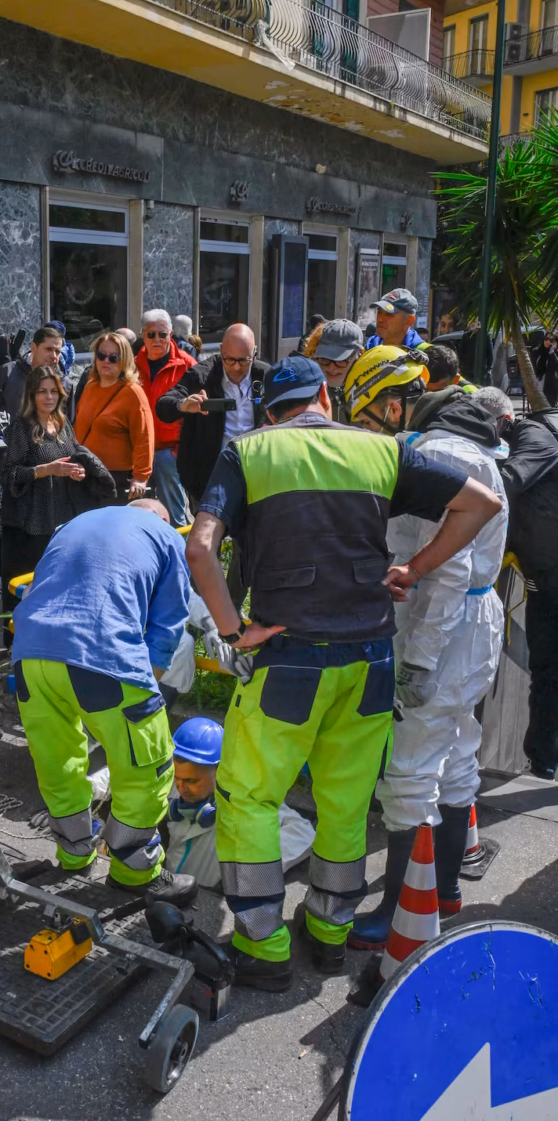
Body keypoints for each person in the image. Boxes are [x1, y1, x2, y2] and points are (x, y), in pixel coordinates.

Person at [185, 355, 502, 990]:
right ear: (325, 399)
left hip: (287, 658)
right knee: (347, 800)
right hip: (371, 659)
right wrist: (414, 570)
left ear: (273, 412)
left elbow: (199, 546)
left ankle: (265, 945)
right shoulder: (385, 451)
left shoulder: (251, 451)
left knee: (249, 796)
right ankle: (329, 932)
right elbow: (482, 504)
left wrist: (231, 631)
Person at [346, 364, 509, 947]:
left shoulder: (432, 456)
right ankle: (443, 890)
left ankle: (400, 914)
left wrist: (416, 660)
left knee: (411, 774)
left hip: (442, 632)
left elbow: (445, 568)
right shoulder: (472, 449)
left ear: (393, 409)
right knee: (458, 750)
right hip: (472, 626)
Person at [11, 500, 197, 905]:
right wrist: (145, 686)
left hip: (30, 655)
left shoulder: (73, 522)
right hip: (103, 660)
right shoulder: (165, 537)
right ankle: (135, 873)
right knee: (145, 768)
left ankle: (73, 854)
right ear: (162, 519)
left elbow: (36, 589)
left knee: (58, 762)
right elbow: (168, 622)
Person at [156, 322, 268, 605]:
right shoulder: (201, 374)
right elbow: (164, 405)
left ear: (255, 353)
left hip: (254, 475)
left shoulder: (266, 376)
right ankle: (201, 609)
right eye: (229, 359)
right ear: (220, 352)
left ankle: (228, 609)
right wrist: (186, 405)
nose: (237, 367)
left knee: (247, 547)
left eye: (244, 360)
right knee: (206, 546)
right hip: (208, 474)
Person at [0, 366, 113, 632]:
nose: (49, 397)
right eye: (42, 392)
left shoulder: (61, 423)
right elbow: (6, 474)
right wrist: (45, 470)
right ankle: (18, 643)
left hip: (62, 517)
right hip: (30, 523)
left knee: (58, 581)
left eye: (54, 392)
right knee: (28, 587)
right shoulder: (21, 428)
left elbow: (70, 456)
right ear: (31, 395)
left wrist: (77, 471)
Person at [166, 718, 315, 889]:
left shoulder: (245, 798)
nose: (181, 788)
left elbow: (303, 833)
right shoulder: (174, 786)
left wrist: (245, 875)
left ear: (220, 771)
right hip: (168, 889)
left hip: (204, 896)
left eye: (191, 781)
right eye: (177, 778)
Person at [496, 406, 558, 778]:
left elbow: (508, 481)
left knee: (547, 668)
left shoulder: (532, 432)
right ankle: (543, 759)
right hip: (545, 572)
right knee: (547, 669)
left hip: (548, 576)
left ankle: (543, 759)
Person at [73, 331, 154, 504]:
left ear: (124, 360)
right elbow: (79, 426)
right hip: (85, 473)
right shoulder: (90, 385)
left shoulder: (133, 392)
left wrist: (140, 477)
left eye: (113, 357)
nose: (106, 361)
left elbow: (144, 437)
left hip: (115, 478)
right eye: (101, 355)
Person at [135, 310, 196, 527]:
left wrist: (182, 450)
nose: (157, 340)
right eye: (151, 335)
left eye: (162, 334)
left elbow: (198, 413)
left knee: (175, 517)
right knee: (140, 513)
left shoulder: (188, 365)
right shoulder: (132, 364)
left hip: (170, 452)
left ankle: (181, 558)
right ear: (143, 335)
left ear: (171, 334)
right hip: (139, 451)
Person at [0, 325, 65, 419]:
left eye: (57, 351)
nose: (54, 356)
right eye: (48, 349)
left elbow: (68, 424)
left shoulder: (64, 383)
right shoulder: (7, 372)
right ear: (34, 347)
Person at [308, 319, 363, 422]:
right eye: (324, 358)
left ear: (360, 354)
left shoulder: (371, 397)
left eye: (341, 360)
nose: (332, 367)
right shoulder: (305, 392)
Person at [365, 289, 429, 353]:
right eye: (379, 312)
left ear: (409, 320)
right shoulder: (367, 349)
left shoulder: (427, 354)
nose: (380, 319)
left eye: (389, 314)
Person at [534, 333, 558, 407]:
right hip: (538, 380)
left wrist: (551, 352)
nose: (547, 342)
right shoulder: (536, 351)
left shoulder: (555, 353)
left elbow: (555, 366)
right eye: (546, 339)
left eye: (551, 340)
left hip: (550, 383)